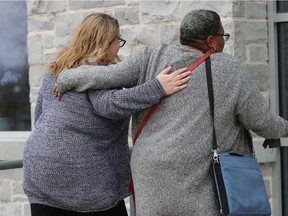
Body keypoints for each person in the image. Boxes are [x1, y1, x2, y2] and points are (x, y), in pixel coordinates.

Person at [55, 10, 288, 215]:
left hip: (150, 171)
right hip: (198, 173)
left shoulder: (150, 56)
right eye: (222, 37)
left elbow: (106, 77)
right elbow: (261, 121)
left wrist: (66, 78)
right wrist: (280, 128)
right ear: (210, 41)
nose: (223, 43)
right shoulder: (229, 68)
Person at [22, 13, 191, 216]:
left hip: (39, 166)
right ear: (105, 42)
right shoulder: (96, 72)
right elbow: (110, 105)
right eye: (117, 40)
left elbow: (40, 115)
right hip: (79, 172)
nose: (119, 46)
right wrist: (157, 88)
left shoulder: (56, 68)